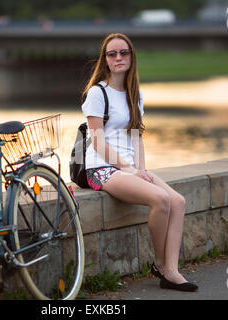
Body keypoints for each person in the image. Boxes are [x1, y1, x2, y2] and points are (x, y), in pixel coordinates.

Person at [81, 33, 198, 292]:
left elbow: (136, 136)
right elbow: (98, 142)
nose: (118, 57)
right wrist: (127, 168)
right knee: (161, 199)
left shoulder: (134, 94)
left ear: (131, 56)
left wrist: (141, 170)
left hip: (128, 168)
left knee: (178, 202)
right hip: (101, 168)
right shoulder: (97, 93)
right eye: (112, 54)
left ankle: (172, 270)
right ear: (106, 60)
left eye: (124, 52)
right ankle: (160, 264)